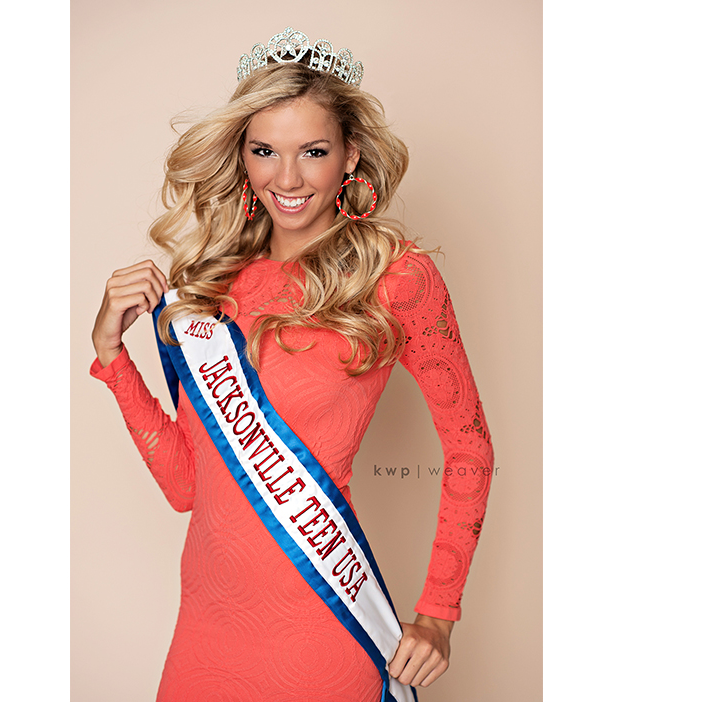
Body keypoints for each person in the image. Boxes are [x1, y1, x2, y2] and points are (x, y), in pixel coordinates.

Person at [90, 27, 493, 702]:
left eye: (313, 151)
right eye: (265, 152)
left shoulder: (397, 279)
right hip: (204, 630)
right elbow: (190, 487)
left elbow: (470, 448)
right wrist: (112, 357)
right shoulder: (212, 289)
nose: (287, 178)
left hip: (321, 629)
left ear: (350, 154)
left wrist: (437, 614)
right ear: (242, 157)